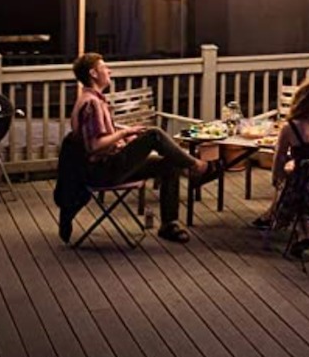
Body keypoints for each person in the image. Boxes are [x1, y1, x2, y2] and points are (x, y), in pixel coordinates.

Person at [68, 52, 217, 243]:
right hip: (102, 170)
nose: (109, 71)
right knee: (154, 135)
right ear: (93, 73)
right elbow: (94, 146)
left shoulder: (93, 99)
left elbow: (103, 137)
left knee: (169, 163)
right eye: (105, 67)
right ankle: (197, 166)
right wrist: (123, 134)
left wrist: (126, 135)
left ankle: (169, 224)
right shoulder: (91, 103)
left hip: (108, 164)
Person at [252, 79, 309, 256]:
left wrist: (276, 178)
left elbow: (279, 157)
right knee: (296, 176)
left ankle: (299, 231)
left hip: (306, 191)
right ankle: (301, 229)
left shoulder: (291, 127)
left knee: (289, 182)